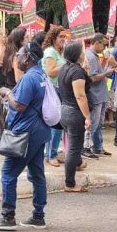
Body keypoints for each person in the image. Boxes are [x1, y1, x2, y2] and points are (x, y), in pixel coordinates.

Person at [0, 42, 51, 230]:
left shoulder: (29, 78)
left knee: (8, 173)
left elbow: (20, 105)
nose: (17, 58)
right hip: (39, 131)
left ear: (28, 57)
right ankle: (38, 215)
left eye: (20, 54)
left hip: (25, 133)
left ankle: (8, 217)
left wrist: (6, 91)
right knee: (37, 173)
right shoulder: (41, 74)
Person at [58, 41, 92, 191]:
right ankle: (69, 183)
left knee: (73, 145)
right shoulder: (76, 72)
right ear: (77, 54)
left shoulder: (64, 68)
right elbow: (80, 96)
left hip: (65, 110)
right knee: (73, 147)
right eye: (82, 51)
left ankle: (77, 163)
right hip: (74, 112)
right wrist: (88, 117)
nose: (84, 53)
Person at [42, 26, 70, 166]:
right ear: (53, 38)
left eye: (65, 37)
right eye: (61, 37)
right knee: (54, 123)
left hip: (60, 89)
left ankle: (53, 152)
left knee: (59, 124)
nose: (63, 40)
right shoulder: (50, 52)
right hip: (52, 90)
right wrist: (67, 65)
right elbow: (51, 71)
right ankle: (50, 155)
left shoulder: (60, 52)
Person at [84, 33, 114, 156]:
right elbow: (93, 77)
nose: (104, 48)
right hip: (95, 94)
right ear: (96, 43)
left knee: (99, 123)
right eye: (103, 45)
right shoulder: (90, 56)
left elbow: (97, 72)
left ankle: (97, 146)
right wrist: (107, 72)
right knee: (93, 123)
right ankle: (86, 147)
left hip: (100, 94)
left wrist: (105, 66)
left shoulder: (95, 56)